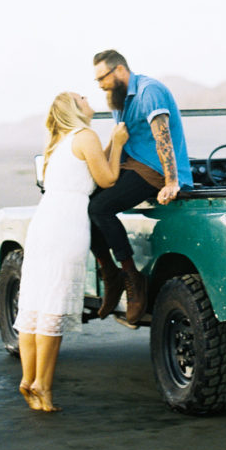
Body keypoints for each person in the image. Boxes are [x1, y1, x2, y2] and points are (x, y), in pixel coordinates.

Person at [15, 92, 127, 412]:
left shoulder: (59, 141)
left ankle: (28, 378)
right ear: (75, 109)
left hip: (44, 221)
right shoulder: (86, 135)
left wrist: (107, 148)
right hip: (68, 224)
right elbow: (106, 178)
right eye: (83, 98)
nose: (89, 99)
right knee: (55, 304)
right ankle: (43, 387)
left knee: (36, 302)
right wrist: (117, 143)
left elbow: (90, 169)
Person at [89, 49, 192, 328]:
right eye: (96, 80)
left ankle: (132, 276)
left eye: (102, 78)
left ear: (119, 70)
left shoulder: (149, 91)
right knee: (82, 207)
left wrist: (172, 182)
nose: (99, 85)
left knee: (100, 207)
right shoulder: (118, 98)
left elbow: (163, 138)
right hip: (131, 165)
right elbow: (121, 140)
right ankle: (110, 274)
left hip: (155, 170)